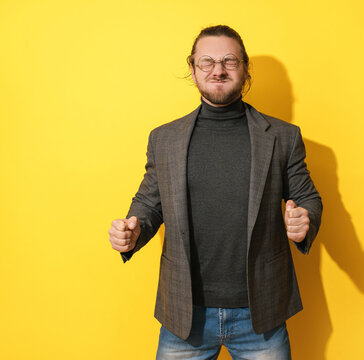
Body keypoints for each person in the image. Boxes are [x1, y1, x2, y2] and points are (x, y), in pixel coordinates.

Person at [108, 25, 322, 360]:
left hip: (260, 316)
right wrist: (134, 231)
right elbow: (150, 203)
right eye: (206, 62)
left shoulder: (283, 136)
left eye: (229, 61)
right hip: (185, 316)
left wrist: (304, 219)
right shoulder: (164, 139)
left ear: (245, 69)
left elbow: (307, 197)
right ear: (192, 69)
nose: (217, 70)